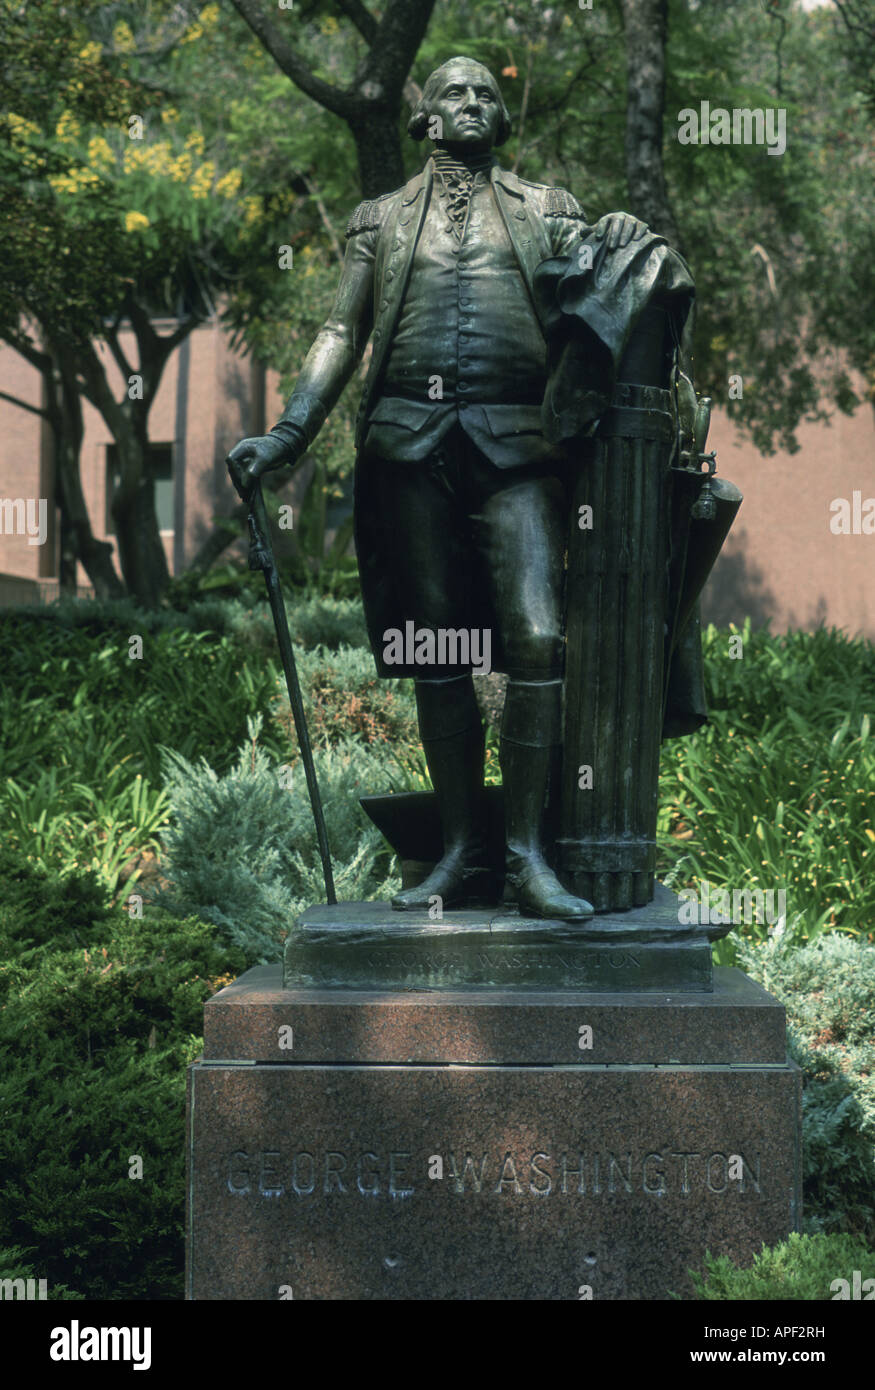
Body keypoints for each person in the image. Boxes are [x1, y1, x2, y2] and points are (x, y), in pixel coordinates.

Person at [227, 56, 648, 920]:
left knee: (537, 638)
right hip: (408, 448)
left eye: (486, 93)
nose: (472, 102)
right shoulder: (379, 219)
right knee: (436, 651)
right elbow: (339, 330)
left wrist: (621, 248)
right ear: (424, 118)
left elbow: (597, 306)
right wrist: (289, 435)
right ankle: (460, 852)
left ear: (502, 119)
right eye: (454, 92)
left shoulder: (547, 209)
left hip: (517, 450)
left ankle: (527, 858)